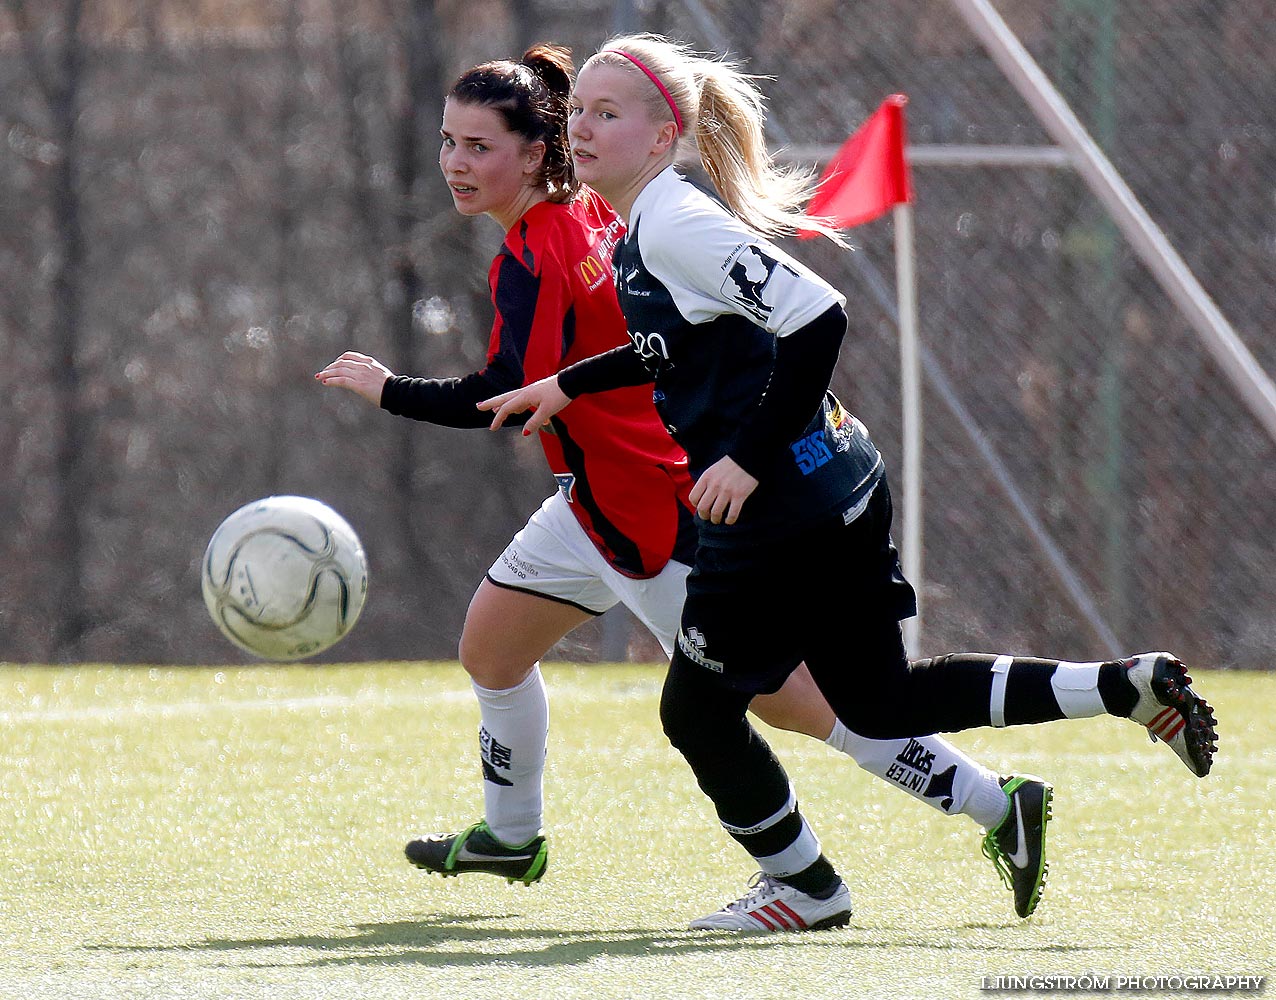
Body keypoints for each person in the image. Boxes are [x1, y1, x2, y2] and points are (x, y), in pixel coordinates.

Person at [479, 33, 1220, 933]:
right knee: (882, 703)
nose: (582, 128)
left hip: (778, 512)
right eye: (579, 112)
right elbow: (677, 344)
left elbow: (817, 314)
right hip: (834, 482)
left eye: (607, 112)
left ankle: (805, 888)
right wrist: (569, 384)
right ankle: (1125, 688)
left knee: (699, 713)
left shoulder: (674, 221)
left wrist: (747, 458)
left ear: (663, 133)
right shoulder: (644, 224)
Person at [316, 44, 1064, 921]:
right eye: (448, 142)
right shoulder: (598, 212)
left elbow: (499, 394)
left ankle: (954, 818)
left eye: (479, 147)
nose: (454, 162)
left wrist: (388, 391)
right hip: (594, 501)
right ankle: (511, 836)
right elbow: (651, 348)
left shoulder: (540, 248)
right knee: (492, 645)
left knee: (802, 707)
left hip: (647, 517)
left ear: (534, 152)